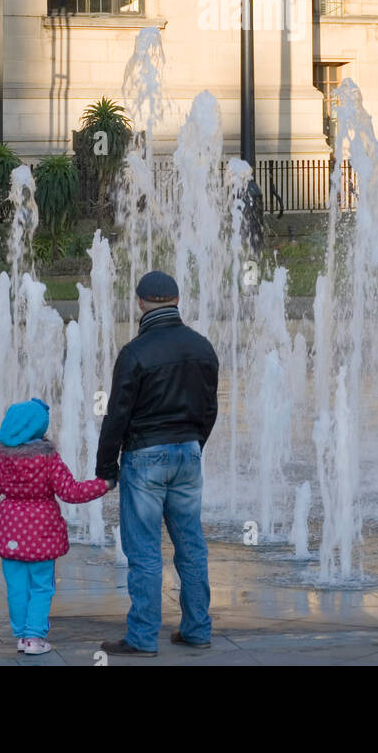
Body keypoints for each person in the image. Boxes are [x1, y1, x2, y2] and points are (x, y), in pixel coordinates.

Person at [96, 270, 219, 657]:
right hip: (187, 452)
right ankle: (197, 629)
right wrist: (194, 444)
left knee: (145, 551)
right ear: (178, 301)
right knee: (192, 546)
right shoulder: (203, 347)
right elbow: (210, 408)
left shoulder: (135, 352)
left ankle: (143, 637)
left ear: (140, 303)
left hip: (146, 456)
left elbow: (117, 414)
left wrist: (106, 468)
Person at [0, 397, 111, 655]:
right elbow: (71, 492)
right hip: (42, 532)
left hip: (10, 531)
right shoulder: (48, 458)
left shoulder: (0, 460)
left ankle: (21, 636)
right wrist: (103, 484)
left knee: (16, 587)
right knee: (41, 585)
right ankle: (34, 637)